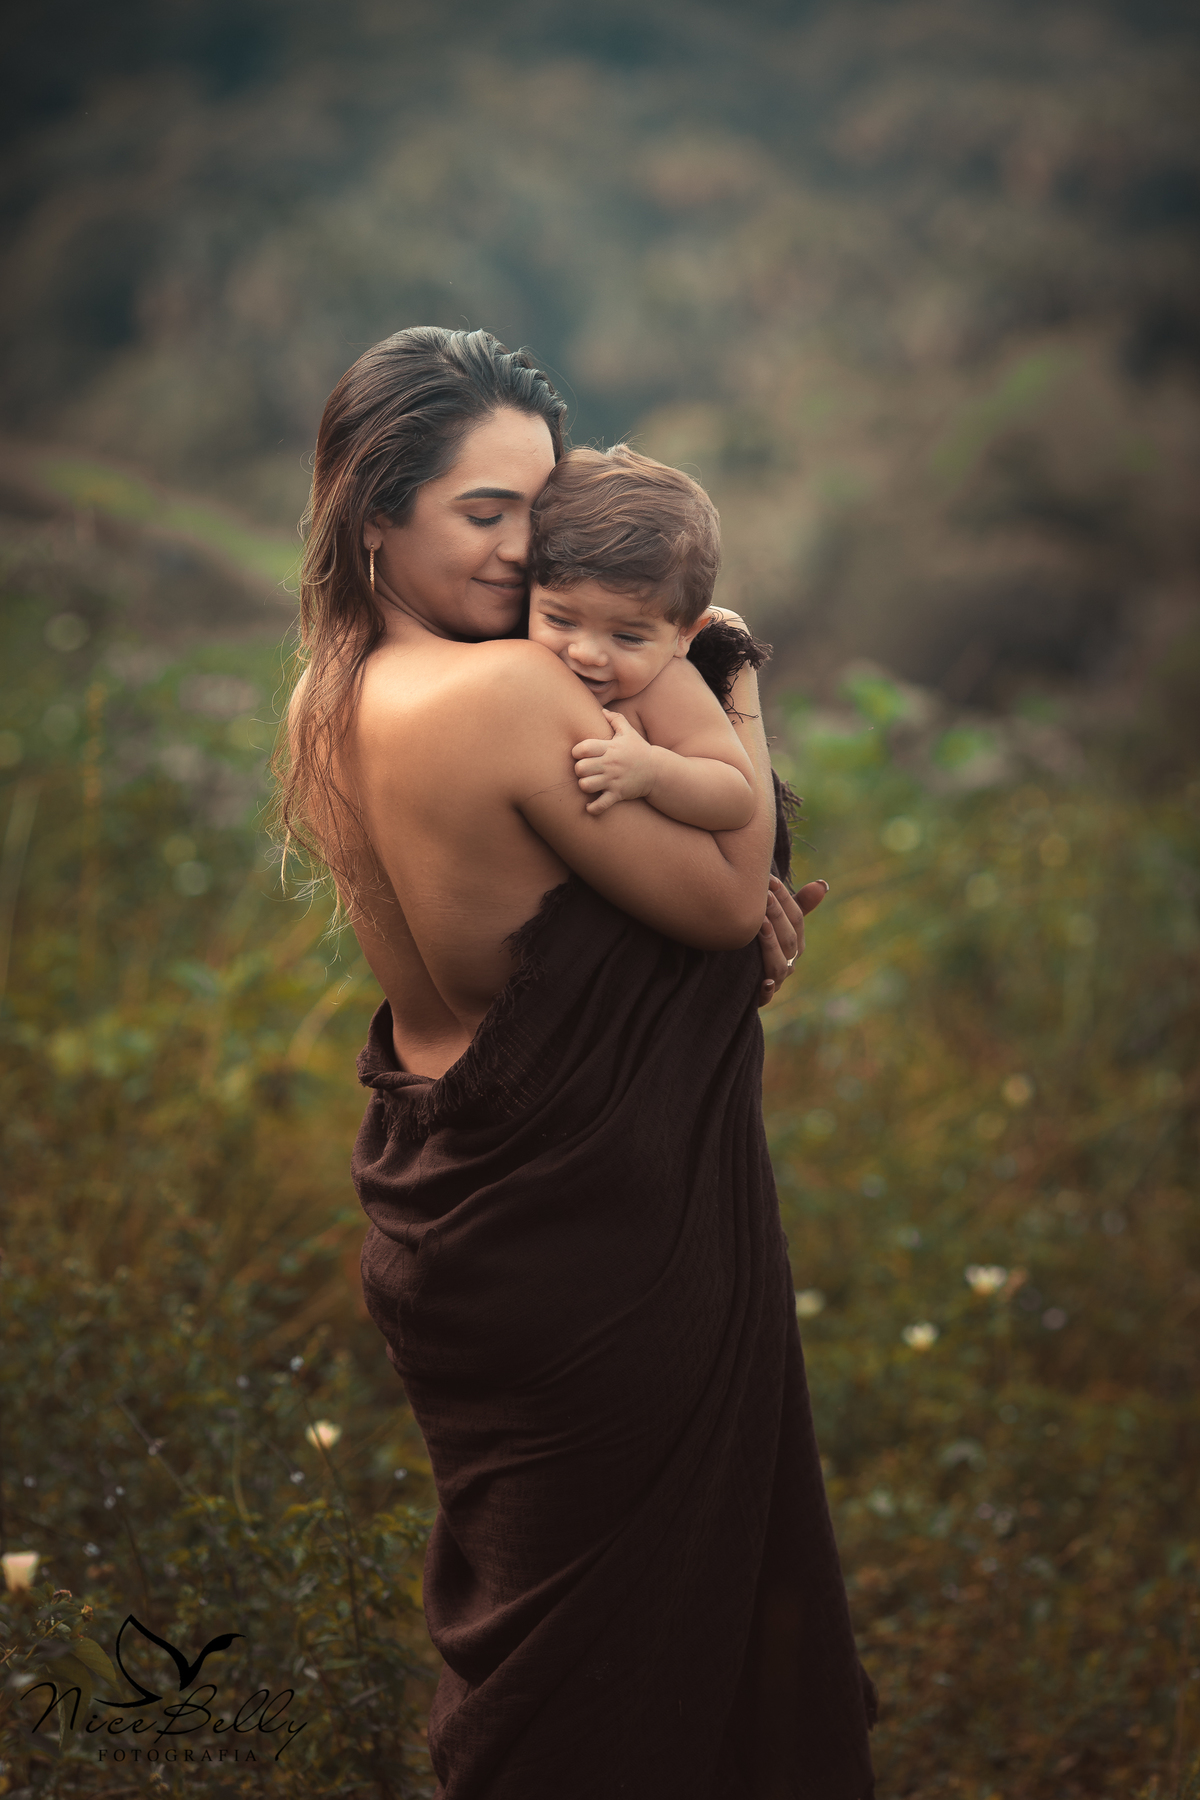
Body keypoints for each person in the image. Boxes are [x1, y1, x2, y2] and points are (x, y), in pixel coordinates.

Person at [276, 325, 876, 1800]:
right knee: (632, 1684)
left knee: (559, 1662)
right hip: (599, 1240)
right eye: (482, 511)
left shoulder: (335, 692)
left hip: (462, 1228)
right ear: (376, 514)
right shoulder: (511, 697)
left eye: (534, 512)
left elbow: (600, 933)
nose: (520, 549)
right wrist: (725, 667)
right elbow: (724, 899)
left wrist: (702, 934)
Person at [527, 443, 757, 829]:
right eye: (560, 620)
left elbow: (736, 796)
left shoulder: (666, 690)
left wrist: (652, 771)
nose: (586, 653)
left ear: (684, 635)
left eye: (627, 637)